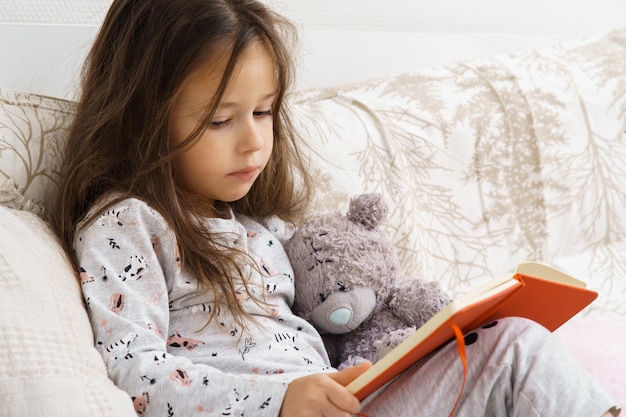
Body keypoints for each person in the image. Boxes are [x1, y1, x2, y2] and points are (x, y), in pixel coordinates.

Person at [52, 1, 620, 416]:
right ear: (143, 116)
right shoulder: (128, 223)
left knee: (504, 342)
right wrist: (280, 400)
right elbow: (135, 369)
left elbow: (344, 313)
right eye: (220, 120)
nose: (253, 142)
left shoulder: (262, 230)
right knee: (511, 351)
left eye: (265, 112)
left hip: (343, 398)